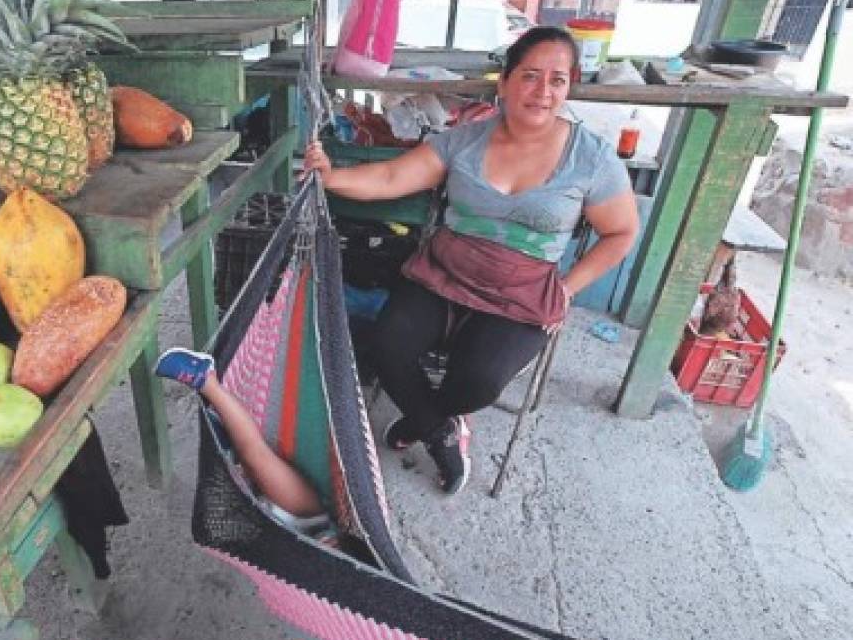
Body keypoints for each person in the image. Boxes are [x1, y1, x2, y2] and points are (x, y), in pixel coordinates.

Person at [303, 26, 640, 495]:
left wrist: (566, 288)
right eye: (530, 76)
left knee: (479, 381)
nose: (543, 92)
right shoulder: (465, 141)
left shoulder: (593, 159)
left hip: (524, 289)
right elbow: (391, 177)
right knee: (386, 343)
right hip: (445, 271)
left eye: (558, 81)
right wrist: (331, 176)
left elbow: (621, 232)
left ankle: (424, 418)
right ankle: (439, 429)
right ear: (503, 82)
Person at [155, 347, 331, 536]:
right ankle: (207, 378)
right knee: (255, 458)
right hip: (317, 519)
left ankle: (226, 434)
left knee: (238, 481)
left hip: (278, 540)